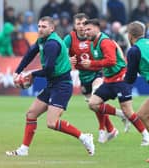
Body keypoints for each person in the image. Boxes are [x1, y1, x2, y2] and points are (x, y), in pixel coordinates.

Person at [6, 16, 94, 156]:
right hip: (53, 84)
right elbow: (30, 54)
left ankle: (84, 137)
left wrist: (32, 75)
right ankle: (24, 149)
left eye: (44, 27)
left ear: (52, 28)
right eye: (39, 26)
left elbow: (49, 70)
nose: (40, 29)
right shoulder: (42, 40)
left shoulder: (51, 44)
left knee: (52, 123)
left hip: (62, 86)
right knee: (31, 114)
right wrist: (18, 72)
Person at [82, 18, 149, 146]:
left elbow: (112, 62)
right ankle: (121, 115)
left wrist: (126, 79)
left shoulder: (108, 43)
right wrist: (90, 65)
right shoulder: (92, 45)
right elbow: (101, 64)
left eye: (88, 29)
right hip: (108, 80)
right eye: (85, 30)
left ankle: (145, 136)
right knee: (93, 103)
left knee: (132, 112)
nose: (86, 32)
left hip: (120, 78)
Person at [64, 13, 124, 143]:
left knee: (95, 100)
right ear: (74, 26)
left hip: (97, 72)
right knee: (95, 105)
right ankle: (111, 129)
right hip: (83, 76)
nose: (81, 26)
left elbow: (109, 50)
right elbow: (61, 53)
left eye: (84, 23)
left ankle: (103, 129)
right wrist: (68, 59)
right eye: (78, 24)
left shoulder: (93, 37)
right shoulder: (70, 38)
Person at [124, 22, 149, 162]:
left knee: (142, 115)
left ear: (130, 35)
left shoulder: (134, 50)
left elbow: (130, 78)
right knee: (142, 115)